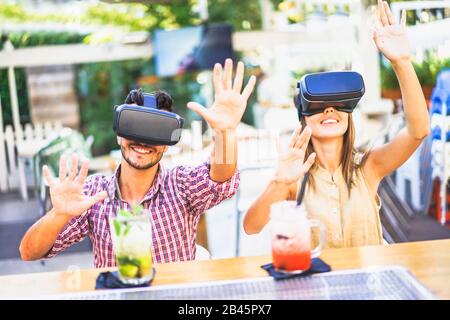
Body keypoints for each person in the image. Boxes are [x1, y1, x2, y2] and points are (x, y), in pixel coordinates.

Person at [20, 59, 256, 267]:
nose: (143, 141)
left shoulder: (181, 185)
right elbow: (29, 252)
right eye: (134, 126)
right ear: (119, 134)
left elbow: (220, 179)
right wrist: (59, 214)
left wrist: (225, 132)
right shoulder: (93, 194)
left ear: (166, 143)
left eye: (155, 130)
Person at [243, 1, 430, 248]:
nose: (329, 110)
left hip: (369, 280)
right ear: (303, 117)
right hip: (316, 283)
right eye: (318, 105)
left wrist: (402, 62)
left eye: (338, 104)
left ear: (349, 114)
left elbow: (419, 131)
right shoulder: (294, 179)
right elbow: (251, 227)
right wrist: (279, 182)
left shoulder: (368, 167)